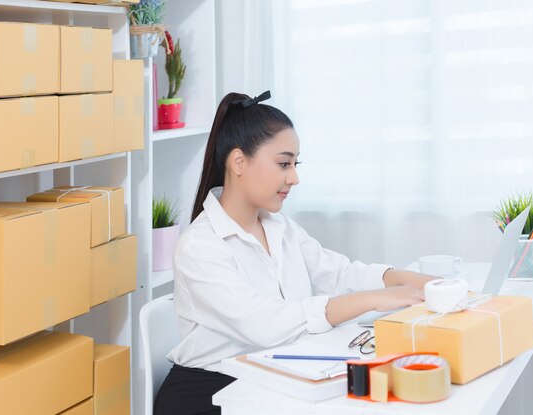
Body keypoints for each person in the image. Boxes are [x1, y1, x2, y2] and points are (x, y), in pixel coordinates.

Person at [154, 91, 436, 415]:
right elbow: (264, 324)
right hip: (209, 395)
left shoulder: (279, 227)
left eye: (295, 164)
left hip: (268, 379)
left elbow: (338, 273)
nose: (294, 177)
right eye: (283, 163)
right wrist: (372, 299)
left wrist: (408, 280)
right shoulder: (200, 247)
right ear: (238, 162)